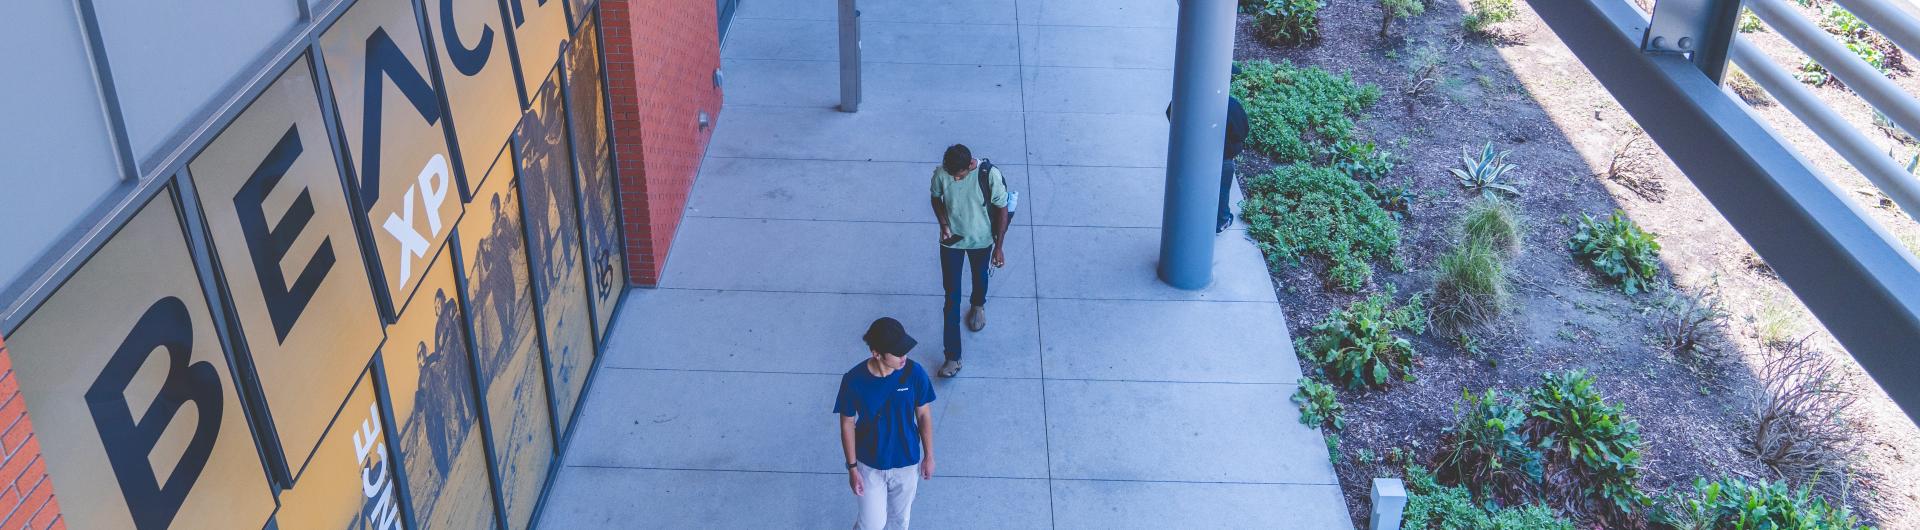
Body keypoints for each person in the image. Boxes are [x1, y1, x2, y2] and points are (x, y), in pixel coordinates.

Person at [835, 317, 937, 530]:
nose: (904, 357)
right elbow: (847, 423)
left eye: (905, 350)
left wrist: (929, 455)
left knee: (899, 523)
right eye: (897, 353)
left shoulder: (914, 373)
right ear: (876, 353)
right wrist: (852, 468)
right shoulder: (854, 380)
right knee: (871, 525)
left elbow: (924, 414)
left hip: (906, 462)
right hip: (869, 464)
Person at [928, 144, 1009, 378]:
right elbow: (935, 198)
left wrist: (999, 247)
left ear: (970, 166)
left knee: (979, 276)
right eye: (951, 174)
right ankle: (952, 357)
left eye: (959, 175)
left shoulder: (988, 175)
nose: (954, 178)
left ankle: (977, 304)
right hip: (951, 241)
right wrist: (943, 224)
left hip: (981, 240)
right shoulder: (942, 173)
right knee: (951, 298)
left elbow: (1002, 210)